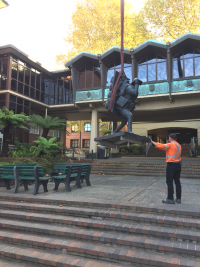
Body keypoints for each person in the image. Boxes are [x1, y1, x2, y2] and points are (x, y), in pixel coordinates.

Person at [150, 133, 182, 204]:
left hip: (171, 165)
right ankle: (178, 198)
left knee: (169, 182)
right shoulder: (179, 145)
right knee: (177, 182)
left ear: (170, 138)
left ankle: (170, 198)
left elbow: (161, 146)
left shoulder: (170, 145)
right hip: (178, 165)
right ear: (176, 139)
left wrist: (152, 142)